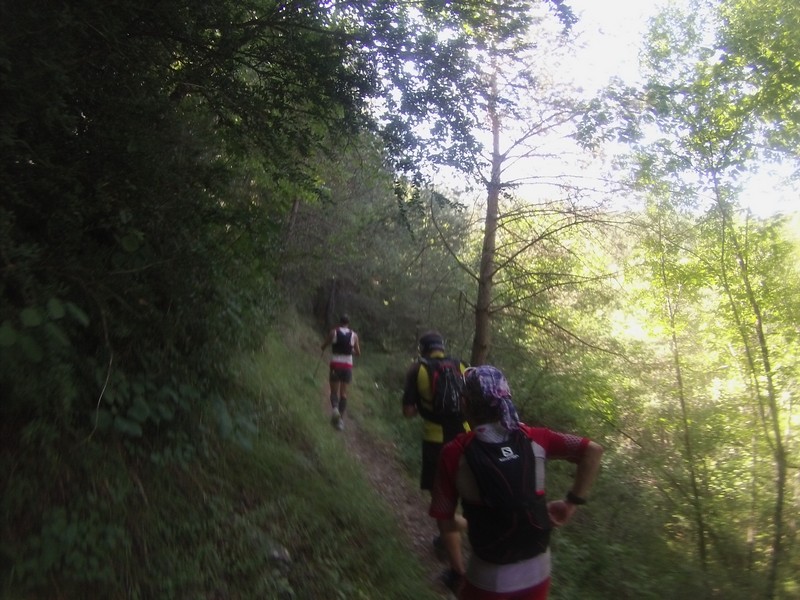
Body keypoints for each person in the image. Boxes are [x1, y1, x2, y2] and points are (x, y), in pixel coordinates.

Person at [429, 365, 603, 600]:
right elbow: (593, 451)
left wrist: (460, 567)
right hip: (538, 573)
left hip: (488, 579)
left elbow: (444, 521)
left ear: (464, 403)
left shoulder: (454, 453)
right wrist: (571, 503)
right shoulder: (536, 437)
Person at [402, 331, 470, 555]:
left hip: (436, 440)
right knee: (466, 491)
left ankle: (452, 545)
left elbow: (408, 412)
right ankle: (449, 539)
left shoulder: (417, 369)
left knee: (441, 499)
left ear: (423, 349)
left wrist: (425, 407)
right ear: (442, 347)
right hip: (466, 438)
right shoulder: (461, 365)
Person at [320, 314, 361, 431]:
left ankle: (335, 410)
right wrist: (350, 350)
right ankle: (340, 421)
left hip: (335, 365)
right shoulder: (354, 335)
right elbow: (358, 353)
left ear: (340, 322)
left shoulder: (333, 332)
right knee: (343, 393)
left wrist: (325, 347)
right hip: (347, 366)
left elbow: (324, 346)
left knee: (334, 391)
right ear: (348, 323)